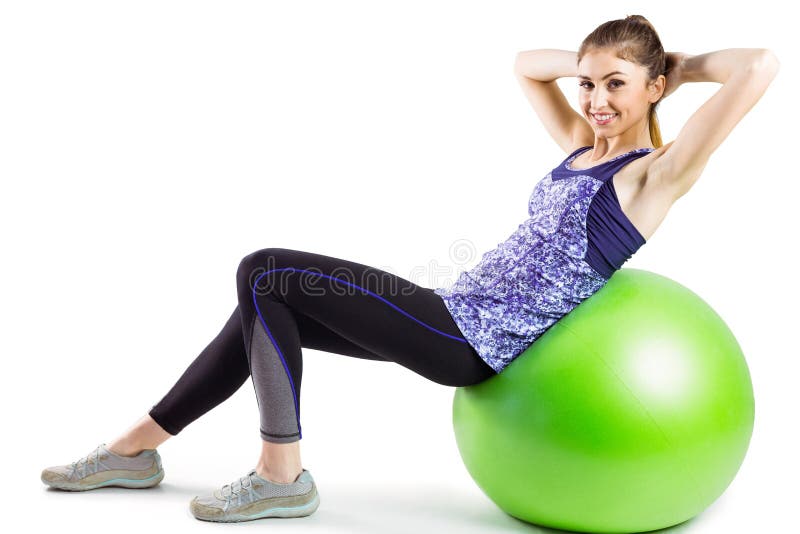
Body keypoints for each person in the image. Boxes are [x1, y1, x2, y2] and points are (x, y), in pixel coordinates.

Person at [40, 14, 778, 523]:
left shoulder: (656, 176)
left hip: (470, 342)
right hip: (450, 307)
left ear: (653, 90)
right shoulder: (581, 146)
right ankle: (134, 452)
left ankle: (280, 477)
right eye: (588, 84)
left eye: (616, 85)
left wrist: (674, 68)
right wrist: (604, 65)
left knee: (266, 270)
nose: (595, 99)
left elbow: (760, 66)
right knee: (265, 306)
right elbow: (525, 67)